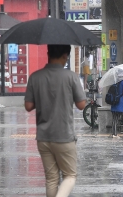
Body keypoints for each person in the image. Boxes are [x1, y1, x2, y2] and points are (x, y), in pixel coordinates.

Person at [24, 45, 86, 197]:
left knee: (51, 179)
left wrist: (44, 97)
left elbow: (28, 106)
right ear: (65, 56)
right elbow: (81, 104)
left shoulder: (35, 77)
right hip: (64, 136)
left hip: (43, 137)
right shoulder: (71, 77)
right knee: (70, 175)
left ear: (48, 54)